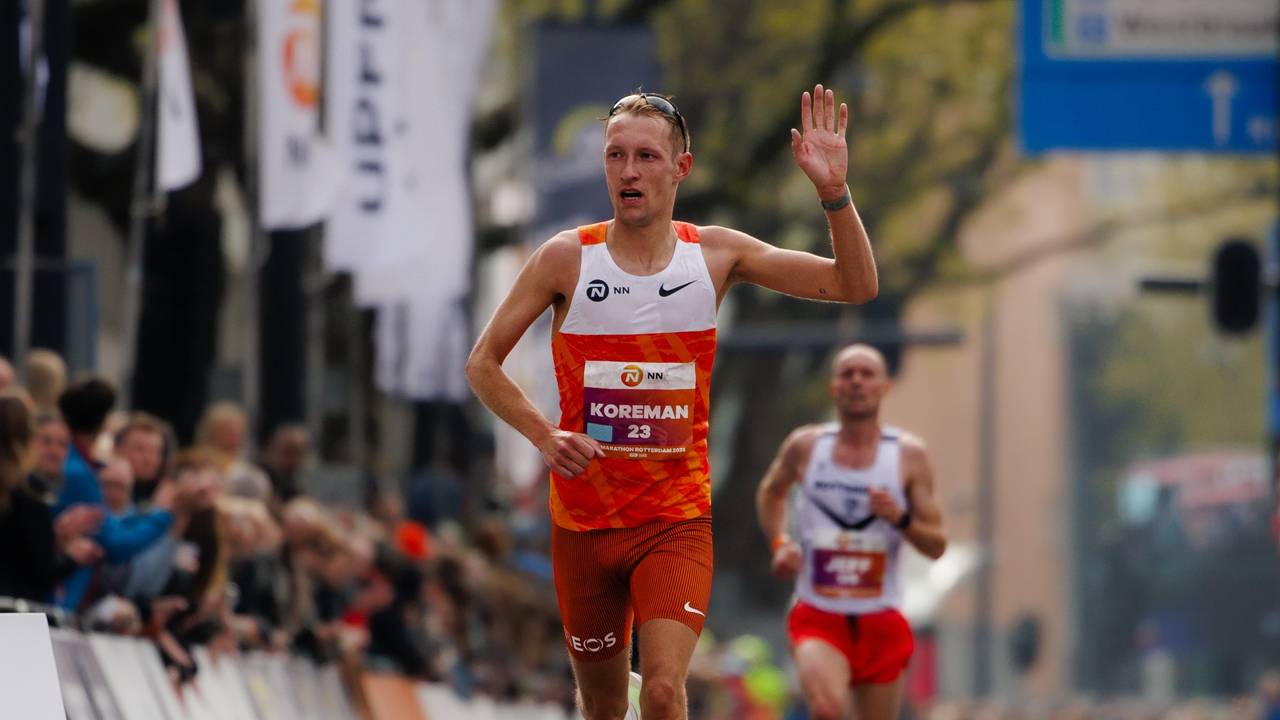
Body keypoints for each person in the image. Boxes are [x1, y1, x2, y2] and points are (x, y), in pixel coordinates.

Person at [467, 85, 877, 720]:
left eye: (647, 158)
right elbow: (483, 364)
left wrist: (833, 193)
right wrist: (544, 435)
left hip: (675, 520)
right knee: (604, 708)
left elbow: (855, 284)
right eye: (615, 156)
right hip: (585, 522)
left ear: (680, 168)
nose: (629, 172)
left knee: (661, 692)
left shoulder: (714, 255)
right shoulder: (566, 259)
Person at [756, 345, 946, 720]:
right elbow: (771, 492)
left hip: (882, 619)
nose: (857, 381)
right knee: (827, 709)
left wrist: (899, 518)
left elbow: (937, 545)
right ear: (834, 388)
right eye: (847, 373)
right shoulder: (807, 446)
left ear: (884, 387)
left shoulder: (909, 456)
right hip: (818, 613)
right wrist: (780, 542)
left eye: (866, 373)